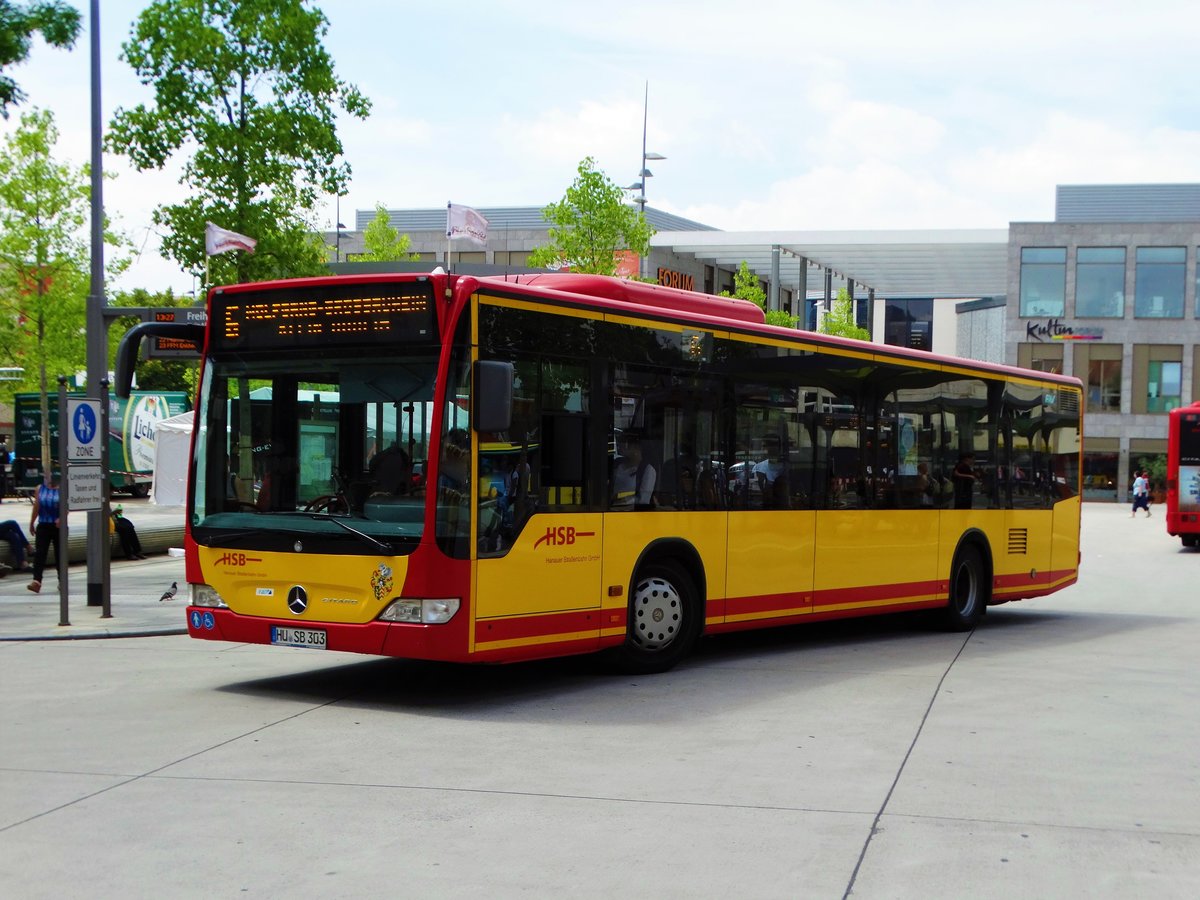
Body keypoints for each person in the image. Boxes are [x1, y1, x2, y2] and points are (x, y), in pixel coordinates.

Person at [27, 473, 61, 594]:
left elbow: (67, 505)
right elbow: (37, 506)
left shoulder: (63, 488)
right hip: (43, 524)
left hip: (58, 526)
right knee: (40, 553)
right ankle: (37, 581)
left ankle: (62, 580)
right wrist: (32, 522)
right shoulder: (40, 488)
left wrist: (62, 518)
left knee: (60, 554)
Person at [612, 432, 656, 510]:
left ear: (637, 448)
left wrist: (624, 501)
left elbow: (643, 500)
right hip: (609, 509)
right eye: (620, 441)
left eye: (626, 443)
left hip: (630, 512)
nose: (620, 445)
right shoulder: (617, 463)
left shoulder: (647, 470)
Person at [752, 436, 788, 508]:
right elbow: (756, 494)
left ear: (776, 447)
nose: (762, 449)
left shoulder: (788, 467)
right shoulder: (758, 468)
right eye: (762, 446)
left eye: (764, 446)